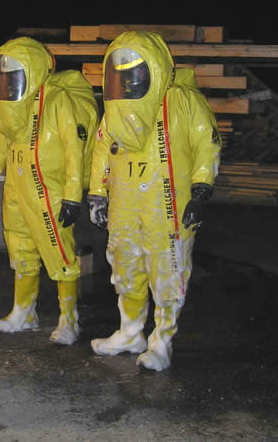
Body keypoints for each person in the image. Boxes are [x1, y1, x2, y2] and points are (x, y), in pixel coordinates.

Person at [87, 30, 221, 371]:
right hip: (124, 204)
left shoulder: (183, 101)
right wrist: (97, 194)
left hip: (167, 205)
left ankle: (161, 341)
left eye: (133, 72)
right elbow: (102, 150)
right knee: (125, 268)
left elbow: (206, 145)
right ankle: (130, 331)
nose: (128, 82)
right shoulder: (114, 111)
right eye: (120, 74)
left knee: (167, 272)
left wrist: (201, 189)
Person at [0, 37, 98, 345]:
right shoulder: (12, 107)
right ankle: (23, 312)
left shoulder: (57, 101)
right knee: (20, 249)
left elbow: (74, 150)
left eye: (14, 73)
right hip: (17, 187)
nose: (8, 81)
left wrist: (72, 196)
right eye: (4, 75)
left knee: (59, 253)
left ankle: (68, 321)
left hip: (48, 189)